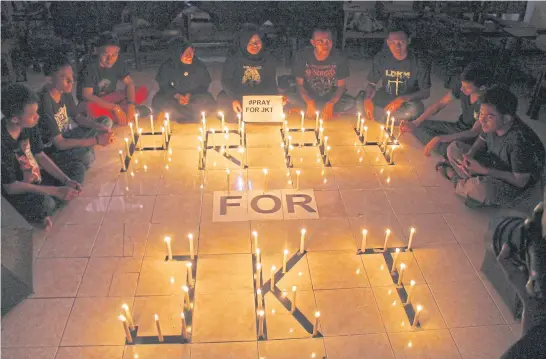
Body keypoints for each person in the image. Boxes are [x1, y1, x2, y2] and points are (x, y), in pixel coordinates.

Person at [445, 86, 545, 208]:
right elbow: (481, 139)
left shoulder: (519, 141)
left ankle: (457, 180)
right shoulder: (492, 124)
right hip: (494, 163)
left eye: (489, 116)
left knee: (481, 189)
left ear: (506, 118)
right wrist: (470, 154)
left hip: (518, 186)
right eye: (481, 113)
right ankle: (472, 188)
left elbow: (521, 182)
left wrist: (484, 171)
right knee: (454, 148)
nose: (482, 120)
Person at [1, 84, 84, 230]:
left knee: (77, 169)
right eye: (32, 115)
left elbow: (40, 155)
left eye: (37, 112)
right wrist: (54, 190)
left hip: (37, 177)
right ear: (15, 119)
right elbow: (10, 187)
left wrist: (66, 180)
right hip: (19, 191)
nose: (37, 117)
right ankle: (47, 207)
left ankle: (47, 209)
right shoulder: (2, 141)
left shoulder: (29, 126)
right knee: (46, 203)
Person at [39, 53, 114, 171]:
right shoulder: (44, 102)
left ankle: (86, 147)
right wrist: (97, 140)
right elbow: (59, 143)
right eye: (64, 77)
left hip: (68, 135)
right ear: (49, 79)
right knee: (86, 157)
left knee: (105, 122)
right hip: (55, 149)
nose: (71, 80)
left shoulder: (64, 91)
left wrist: (98, 126)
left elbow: (78, 117)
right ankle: (85, 149)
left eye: (72, 75)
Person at [400, 62, 491, 159]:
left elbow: (473, 132)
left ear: (482, 87)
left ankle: (446, 148)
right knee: (418, 125)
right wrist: (415, 122)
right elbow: (440, 104)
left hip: (469, 136)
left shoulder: (486, 102)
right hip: (458, 126)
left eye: (467, 88)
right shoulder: (461, 86)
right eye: (462, 85)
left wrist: (441, 138)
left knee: (448, 148)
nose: (461, 89)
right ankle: (441, 144)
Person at [360, 24, 431, 124]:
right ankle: (392, 118)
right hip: (386, 97)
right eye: (393, 43)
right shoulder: (382, 57)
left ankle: (384, 117)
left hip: (407, 101)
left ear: (408, 41)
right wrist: (367, 99)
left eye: (401, 42)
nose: (397, 47)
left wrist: (402, 99)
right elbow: (372, 83)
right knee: (360, 100)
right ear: (388, 43)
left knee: (416, 109)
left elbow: (425, 92)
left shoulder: (419, 61)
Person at [77, 32, 148, 125]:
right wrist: (115, 108)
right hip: (94, 102)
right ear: (96, 51)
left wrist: (131, 104)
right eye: (105, 54)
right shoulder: (89, 65)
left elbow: (129, 83)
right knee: (89, 109)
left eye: (114, 55)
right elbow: (87, 95)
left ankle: (120, 114)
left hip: (111, 98)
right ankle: (125, 115)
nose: (110, 59)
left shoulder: (118, 61)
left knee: (142, 90)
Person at [289, 26, 354, 121]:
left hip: (328, 96)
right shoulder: (302, 55)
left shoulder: (340, 57)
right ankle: (316, 109)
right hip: (308, 95)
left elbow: (341, 86)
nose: (325, 45)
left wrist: (331, 103)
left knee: (351, 102)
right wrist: (309, 101)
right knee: (289, 98)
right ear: (313, 42)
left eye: (328, 41)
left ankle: (314, 110)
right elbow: (299, 85)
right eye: (320, 41)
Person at [218, 24, 279, 121]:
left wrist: (277, 99)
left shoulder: (268, 58)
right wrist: (233, 99)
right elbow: (226, 80)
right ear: (244, 43)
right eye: (250, 42)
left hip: (259, 98)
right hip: (238, 95)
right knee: (222, 99)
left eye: (257, 41)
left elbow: (270, 81)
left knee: (278, 107)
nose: (255, 45)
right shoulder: (234, 58)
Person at [152, 38, 216, 123]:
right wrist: (177, 96)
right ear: (178, 54)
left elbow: (204, 86)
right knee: (159, 100)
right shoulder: (167, 66)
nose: (189, 56)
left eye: (191, 52)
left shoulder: (199, 65)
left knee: (206, 100)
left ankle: (178, 114)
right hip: (173, 97)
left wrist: (189, 95)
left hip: (193, 97)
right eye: (185, 53)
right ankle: (193, 115)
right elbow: (164, 86)